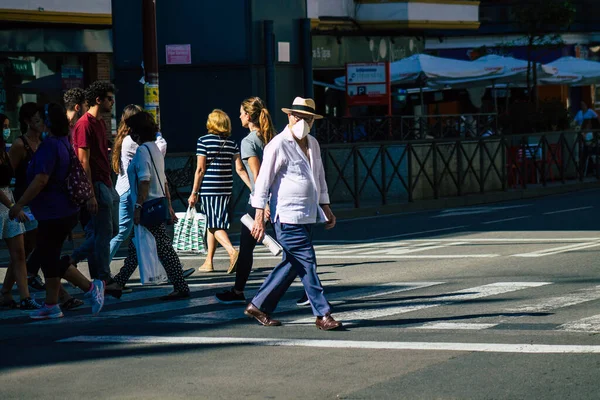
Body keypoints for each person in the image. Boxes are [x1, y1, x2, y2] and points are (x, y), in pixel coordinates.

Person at [244, 97, 342, 331]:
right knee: (307, 261)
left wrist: (325, 206)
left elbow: (319, 177)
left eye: (307, 118)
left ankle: (258, 305)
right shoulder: (278, 144)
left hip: (307, 214)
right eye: (298, 116)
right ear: (289, 116)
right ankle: (322, 313)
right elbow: (263, 182)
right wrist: (259, 216)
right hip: (287, 216)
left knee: (292, 262)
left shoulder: (313, 144)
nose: (302, 121)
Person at [9, 103, 105, 319]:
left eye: (40, 118)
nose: (37, 122)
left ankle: (86, 290)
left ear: (47, 123)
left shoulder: (50, 145)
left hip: (55, 210)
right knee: (48, 257)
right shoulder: (61, 142)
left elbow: (41, 180)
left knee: (47, 256)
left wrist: (19, 204)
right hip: (62, 210)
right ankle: (57, 302)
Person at [104, 111, 190, 300]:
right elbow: (164, 181)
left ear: (138, 133)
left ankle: (180, 285)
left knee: (164, 247)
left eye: (133, 131)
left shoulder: (143, 151)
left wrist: (138, 207)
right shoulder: (154, 149)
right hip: (156, 203)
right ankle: (118, 282)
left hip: (147, 205)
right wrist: (168, 205)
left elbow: (145, 180)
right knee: (137, 246)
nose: (131, 134)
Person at [215, 97, 276, 304]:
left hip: (261, 200)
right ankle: (238, 289)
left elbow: (257, 176)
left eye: (241, 113)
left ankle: (239, 290)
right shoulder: (270, 136)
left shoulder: (249, 141)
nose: (239, 116)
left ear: (248, 116)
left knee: (248, 247)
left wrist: (263, 204)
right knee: (289, 245)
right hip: (276, 197)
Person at [188, 109, 252, 273]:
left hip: (210, 189)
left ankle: (232, 251)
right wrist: (254, 187)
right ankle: (208, 262)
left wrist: (194, 192)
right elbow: (239, 168)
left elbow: (200, 169)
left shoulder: (203, 141)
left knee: (213, 223)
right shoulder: (231, 143)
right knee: (214, 222)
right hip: (226, 188)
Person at [69, 81, 119, 282]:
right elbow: (83, 161)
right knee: (103, 233)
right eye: (109, 98)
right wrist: (90, 193)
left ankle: (74, 258)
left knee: (111, 231)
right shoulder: (84, 124)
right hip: (96, 184)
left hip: (106, 182)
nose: (112, 102)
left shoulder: (100, 123)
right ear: (98, 100)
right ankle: (104, 277)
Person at [0, 113, 41, 310]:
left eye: (8, 126)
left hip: (8, 200)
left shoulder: (4, 150)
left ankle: (24, 296)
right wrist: (13, 207)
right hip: (5, 202)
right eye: (4, 126)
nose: (7, 130)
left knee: (19, 252)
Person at [9, 103, 43, 291]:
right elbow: (7, 174)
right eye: (37, 120)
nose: (41, 124)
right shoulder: (20, 145)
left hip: (41, 202)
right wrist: (14, 204)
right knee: (25, 248)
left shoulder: (44, 143)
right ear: (27, 122)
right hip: (25, 203)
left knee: (28, 249)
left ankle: (7, 290)